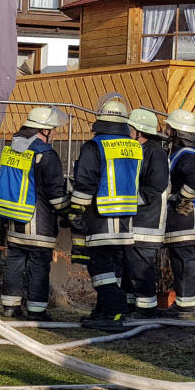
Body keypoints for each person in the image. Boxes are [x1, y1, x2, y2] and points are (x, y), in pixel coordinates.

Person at [67, 98, 142, 331]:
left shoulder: (94, 146)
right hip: (126, 219)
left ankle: (113, 311)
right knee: (115, 268)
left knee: (99, 268)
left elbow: (85, 181)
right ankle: (104, 311)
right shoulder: (135, 146)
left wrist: (75, 211)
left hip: (100, 217)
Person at [0, 106, 69, 322]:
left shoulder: (12, 148)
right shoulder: (46, 155)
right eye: (52, 129)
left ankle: (10, 307)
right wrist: (69, 211)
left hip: (14, 219)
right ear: (43, 130)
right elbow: (56, 196)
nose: (54, 133)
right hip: (39, 222)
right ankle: (36, 310)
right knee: (38, 266)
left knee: (15, 263)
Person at [123, 109, 171, 318]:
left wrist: (128, 202)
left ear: (139, 131)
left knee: (142, 269)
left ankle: (146, 309)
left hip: (147, 223)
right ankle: (131, 306)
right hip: (136, 222)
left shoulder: (155, 152)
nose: (127, 131)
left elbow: (155, 187)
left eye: (130, 128)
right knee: (130, 268)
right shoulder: (139, 149)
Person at [163, 108, 195, 318]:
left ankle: (187, 306)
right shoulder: (183, 153)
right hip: (181, 213)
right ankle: (183, 304)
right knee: (179, 259)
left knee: (184, 259)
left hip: (186, 213)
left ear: (178, 132)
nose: (166, 131)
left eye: (170, 128)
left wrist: (183, 200)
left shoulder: (187, 156)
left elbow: (194, 183)